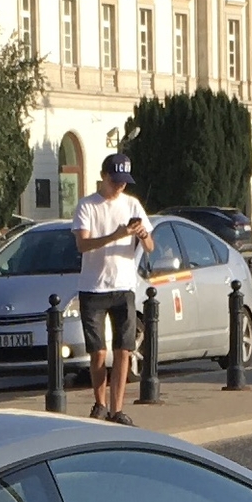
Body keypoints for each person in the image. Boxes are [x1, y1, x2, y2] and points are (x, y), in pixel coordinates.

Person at [73, 152, 154, 426]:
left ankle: (118, 409)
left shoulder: (132, 204)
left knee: (124, 350)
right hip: (93, 288)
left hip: (123, 287)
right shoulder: (87, 206)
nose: (120, 186)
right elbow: (82, 245)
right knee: (98, 351)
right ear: (104, 177)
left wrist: (142, 234)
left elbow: (151, 246)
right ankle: (100, 403)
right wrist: (116, 235)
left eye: (124, 181)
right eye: (116, 180)